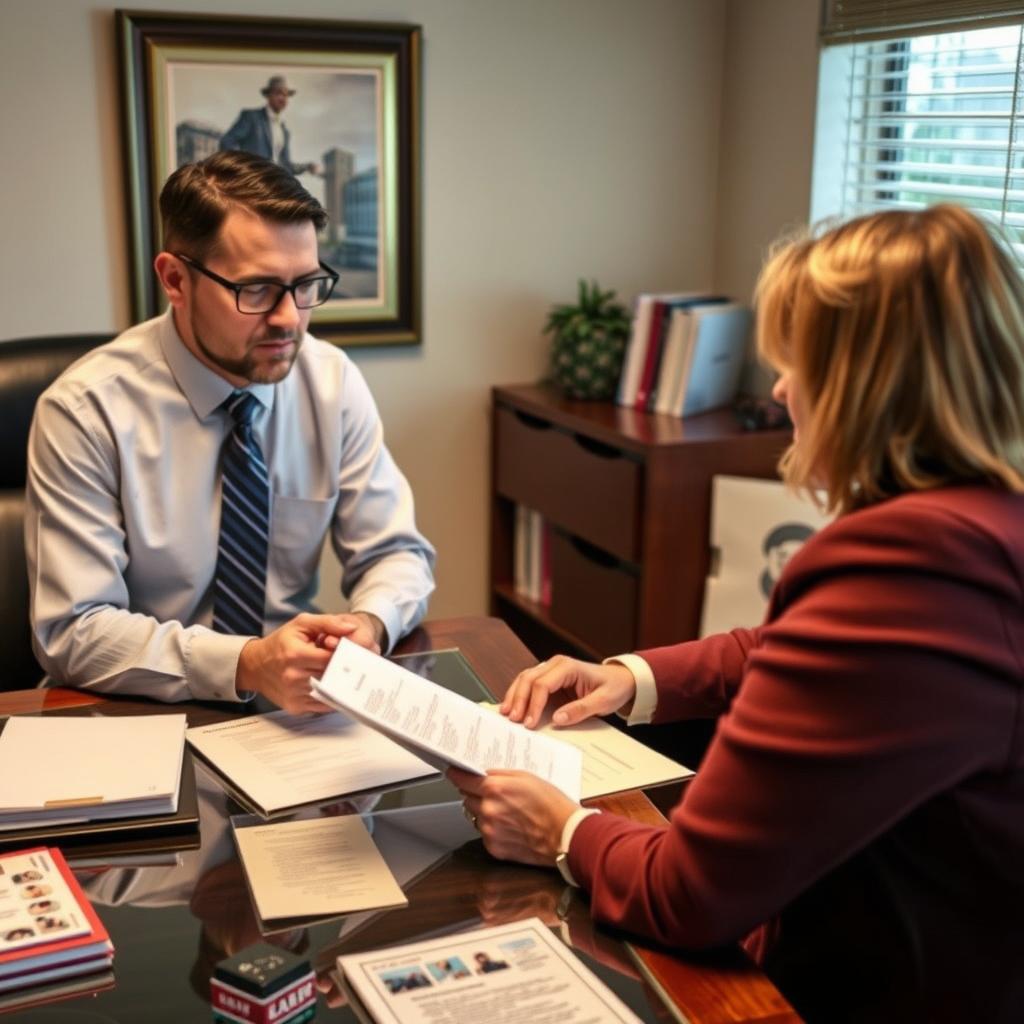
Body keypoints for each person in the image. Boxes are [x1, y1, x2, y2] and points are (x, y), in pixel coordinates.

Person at [451, 204, 1024, 1022]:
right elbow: (796, 651)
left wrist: (562, 833)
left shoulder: (913, 562)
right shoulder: (984, 522)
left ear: (864, 384)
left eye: (798, 363)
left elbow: (690, 893)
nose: (782, 389)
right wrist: (627, 678)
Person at [26, 150, 434, 713]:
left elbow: (398, 552)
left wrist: (368, 623)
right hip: (135, 712)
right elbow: (73, 631)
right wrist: (245, 663)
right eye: (258, 290)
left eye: (307, 285)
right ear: (175, 279)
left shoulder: (330, 382)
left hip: (291, 714)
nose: (290, 318)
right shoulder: (85, 410)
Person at [220, 76, 321, 178]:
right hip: (253, 184)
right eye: (279, 93)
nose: (283, 98)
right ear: (268, 95)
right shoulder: (251, 117)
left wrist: (307, 167)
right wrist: (242, 170)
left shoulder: (284, 131)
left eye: (286, 95)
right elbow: (227, 141)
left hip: (275, 186)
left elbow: (286, 165)